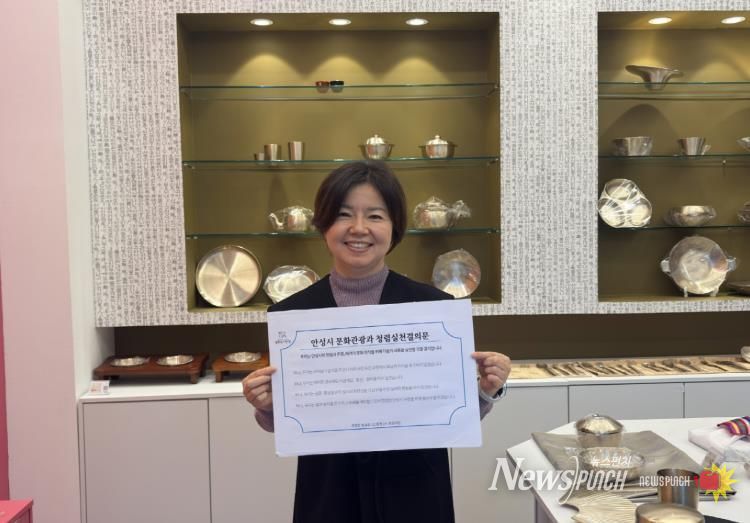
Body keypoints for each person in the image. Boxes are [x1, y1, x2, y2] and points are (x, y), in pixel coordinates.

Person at [243, 160, 511, 523]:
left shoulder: (433, 309)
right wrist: (266, 405)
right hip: (329, 490)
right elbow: (287, 422)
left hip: (414, 491)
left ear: (394, 226)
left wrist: (485, 391)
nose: (358, 228)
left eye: (375, 216)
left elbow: (450, 415)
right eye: (343, 214)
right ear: (323, 224)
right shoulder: (294, 316)